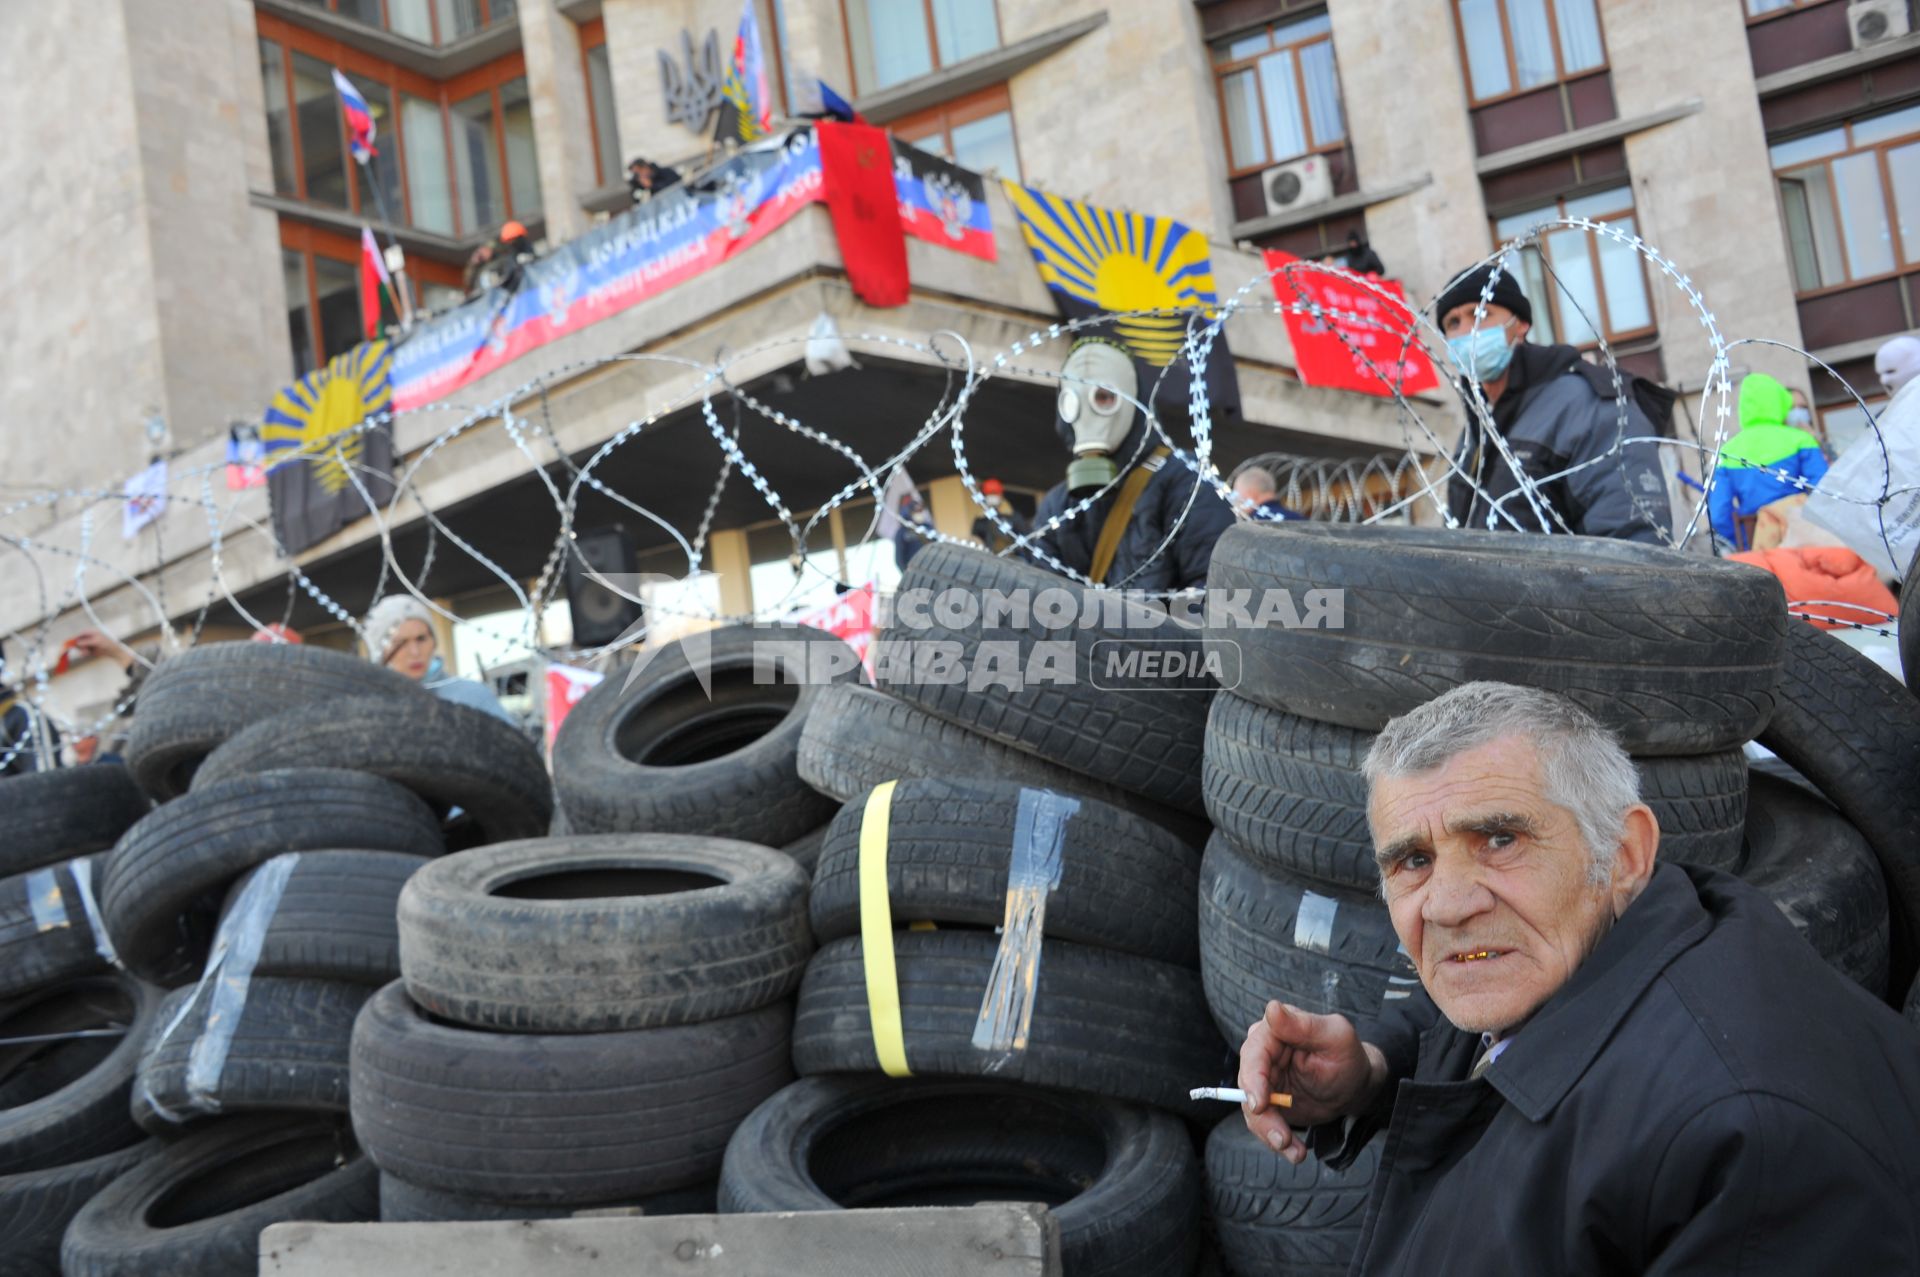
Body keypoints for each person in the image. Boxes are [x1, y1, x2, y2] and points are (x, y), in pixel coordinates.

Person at [1238, 681, 1920, 1273]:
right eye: (1413, 859)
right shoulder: (1604, 941)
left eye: (1500, 840)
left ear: (1624, 854)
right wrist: (1376, 1069)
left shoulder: (1747, 1148)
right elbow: (1484, 1020)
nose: (1448, 904)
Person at [1437, 262, 1672, 542]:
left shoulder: (1589, 406)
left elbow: (1633, 546)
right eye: (1453, 322)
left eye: (1480, 314)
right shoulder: (1475, 432)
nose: (1467, 331)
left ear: (1520, 324)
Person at [1028, 336, 1235, 590]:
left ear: (1131, 398)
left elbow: (1213, 589)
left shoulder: (1187, 480)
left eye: (1103, 397)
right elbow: (1043, 603)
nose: (1089, 413)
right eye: (1074, 402)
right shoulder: (1058, 507)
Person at [1707, 373, 1828, 549]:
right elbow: (1823, 491)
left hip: (1760, 549)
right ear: (1779, 402)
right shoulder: (1802, 440)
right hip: (1804, 542)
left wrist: (1744, 543)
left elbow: (1718, 515)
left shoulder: (1726, 453)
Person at [362, 594, 514, 725]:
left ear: (433, 641)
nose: (414, 652)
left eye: (421, 639)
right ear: (380, 652)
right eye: (400, 643)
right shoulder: (369, 709)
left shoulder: (472, 698)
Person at [1229, 462, 1297, 521]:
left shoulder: (1253, 524)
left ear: (1251, 493)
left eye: (1236, 494)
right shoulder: (1297, 518)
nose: (1235, 500)